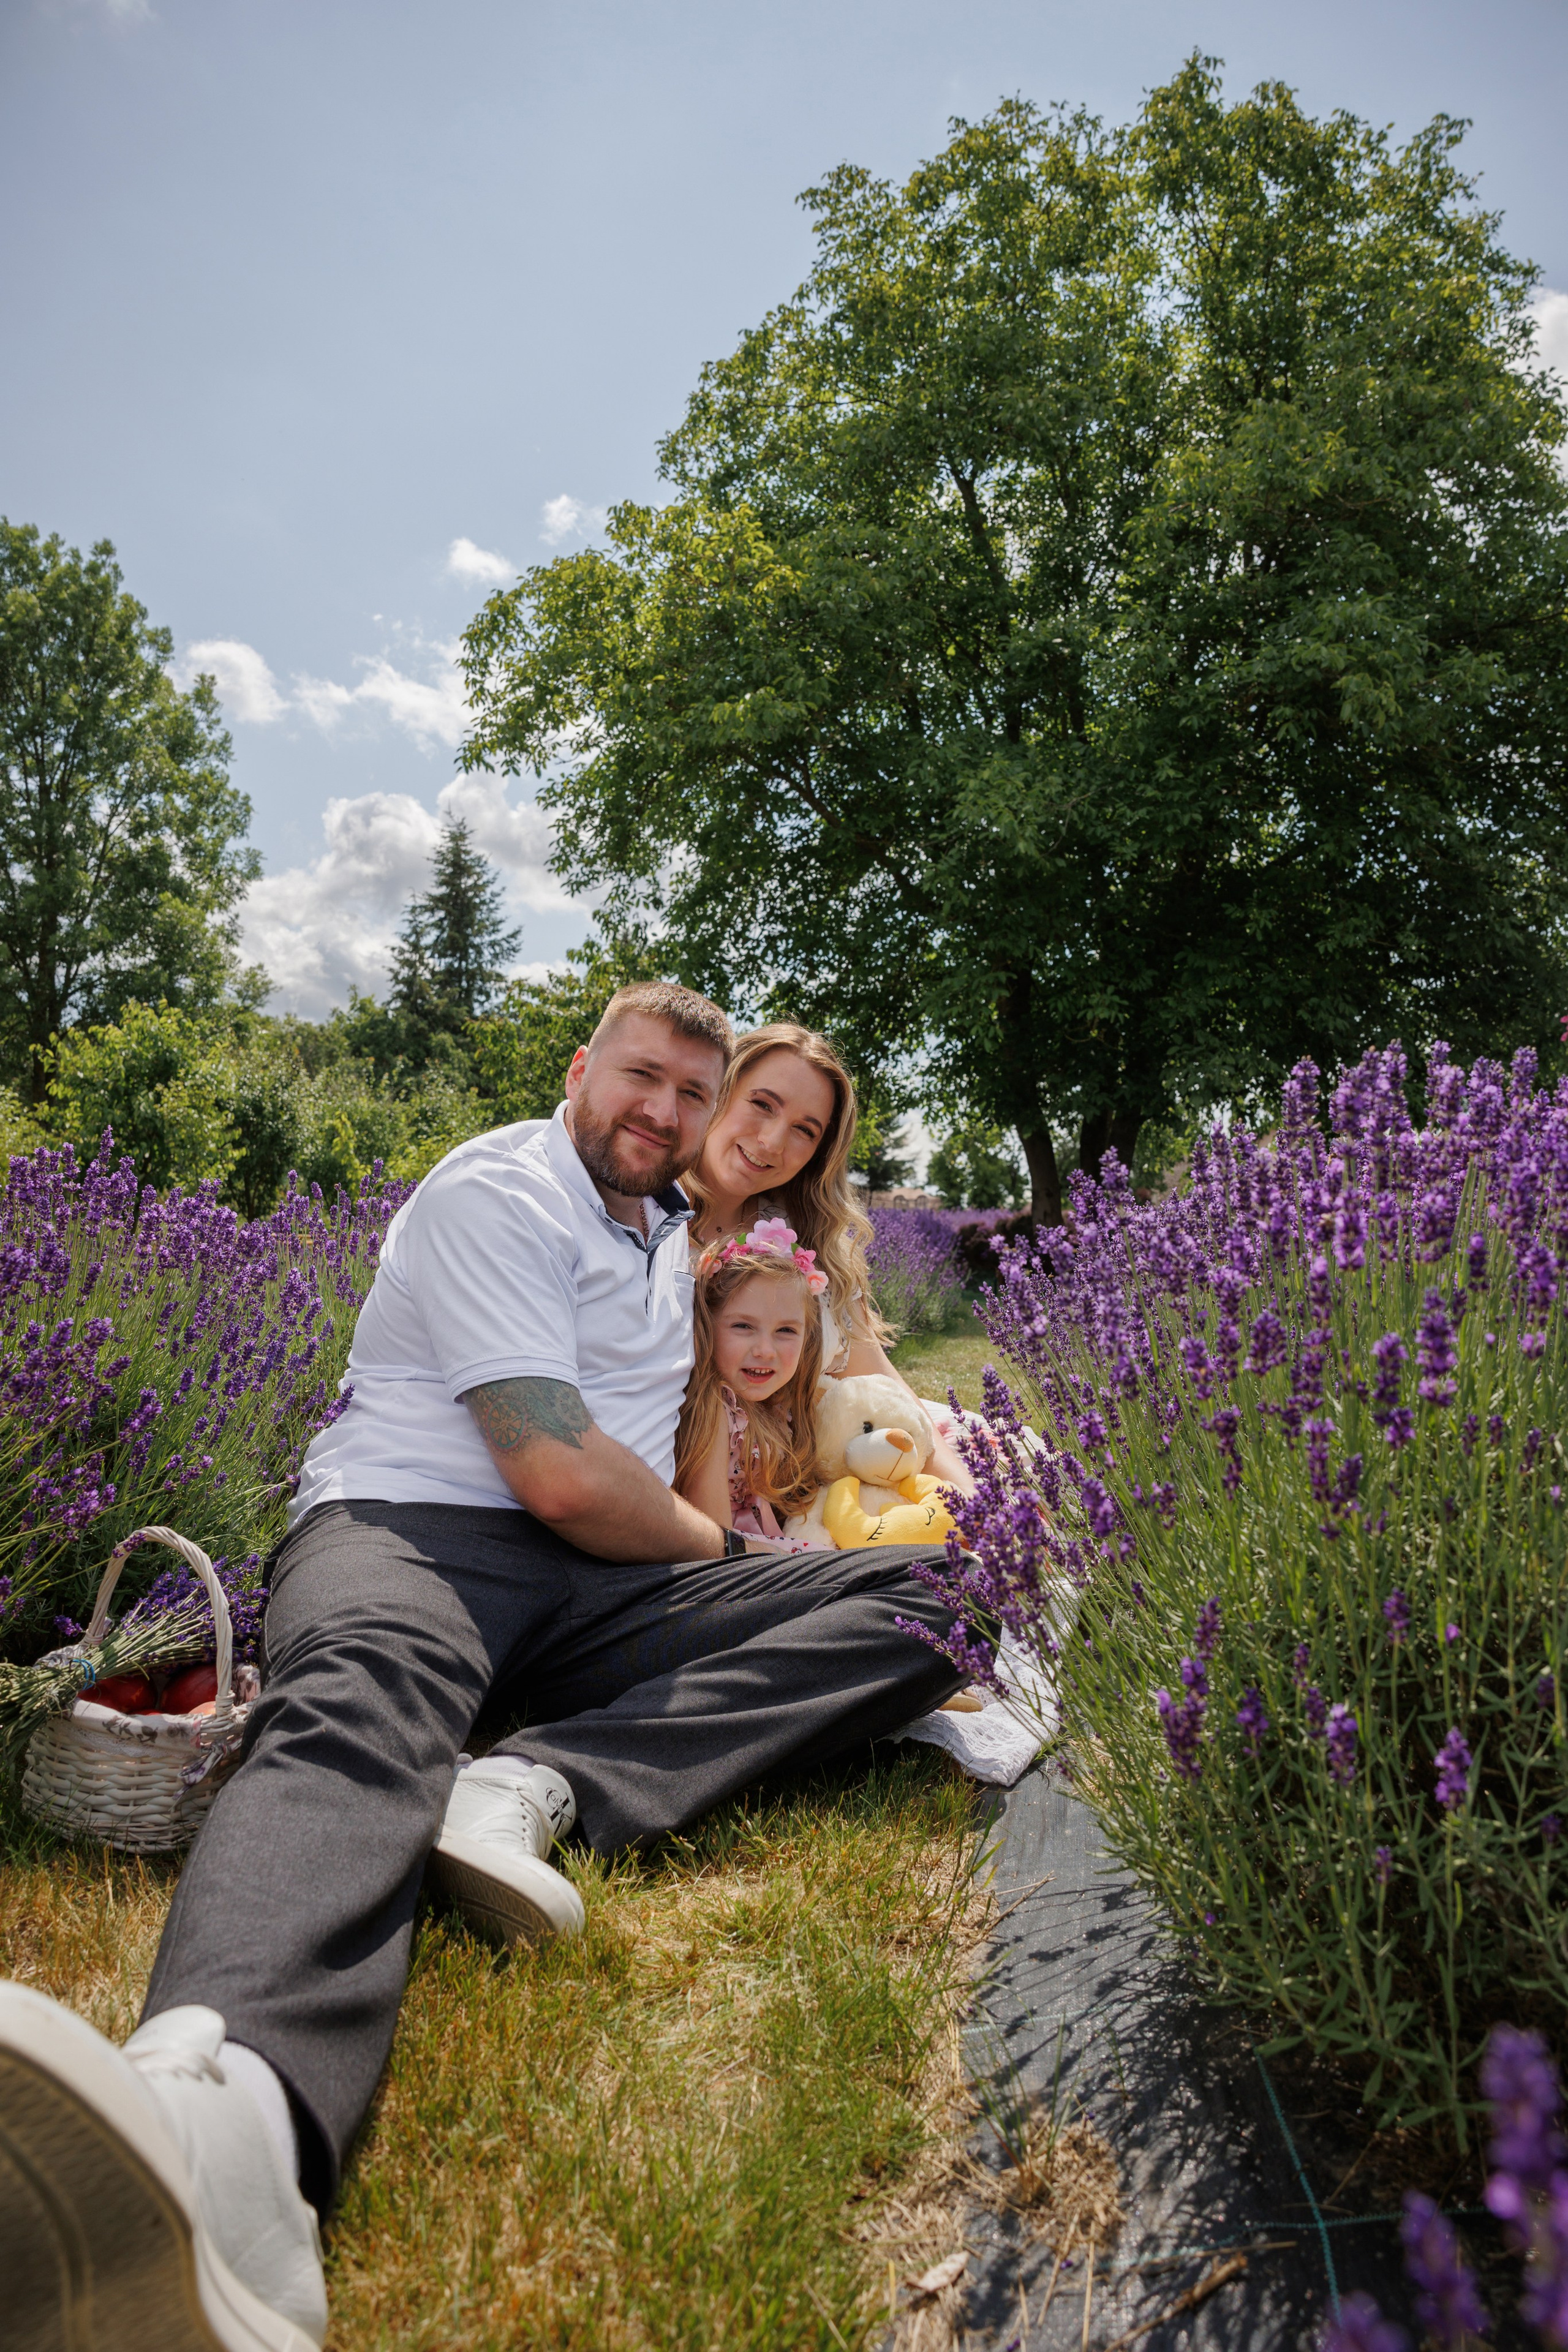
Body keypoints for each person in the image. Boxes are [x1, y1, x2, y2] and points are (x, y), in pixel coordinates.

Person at [0, 981, 972, 2352]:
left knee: (962, 1585)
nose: (666, 1112)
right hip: (416, 1537)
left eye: (694, 1095)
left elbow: (772, 1396)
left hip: (605, 1589)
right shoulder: (498, 1192)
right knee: (355, 1715)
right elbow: (559, 1475)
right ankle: (228, 2128)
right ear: (582, 1069)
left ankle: (530, 1781)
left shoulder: (675, 1238)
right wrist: (715, 1554)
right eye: (645, 1078)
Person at [685, 1022, 974, 1485]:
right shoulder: (646, 1227)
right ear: (720, 1090)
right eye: (762, 1104)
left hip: (852, 1467)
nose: (772, 1142)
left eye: (805, 1130)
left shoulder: (805, 1233)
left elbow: (880, 1381)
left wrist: (972, 1495)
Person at [673, 1219, 829, 1553]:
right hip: (731, 1560)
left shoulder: (775, 1405)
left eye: (786, 1331)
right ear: (706, 1325)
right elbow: (713, 1539)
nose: (765, 1350)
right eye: (743, 1326)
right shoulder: (714, 1410)